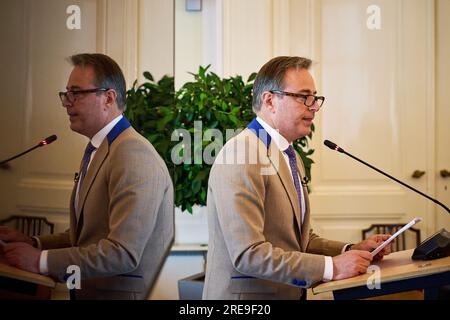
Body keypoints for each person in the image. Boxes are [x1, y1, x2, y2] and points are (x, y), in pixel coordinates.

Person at [203, 56, 391, 300]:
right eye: (304, 97)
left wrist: (350, 250)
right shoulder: (241, 155)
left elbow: (299, 240)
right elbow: (248, 254)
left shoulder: (289, 155)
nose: (313, 107)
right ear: (270, 100)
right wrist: (332, 268)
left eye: (315, 98)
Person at [0, 53, 174, 300]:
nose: (66, 102)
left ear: (108, 98)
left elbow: (122, 253)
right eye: (66, 94)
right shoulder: (100, 148)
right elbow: (85, 238)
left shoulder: (133, 154)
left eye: (76, 93)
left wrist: (41, 261)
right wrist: (33, 242)